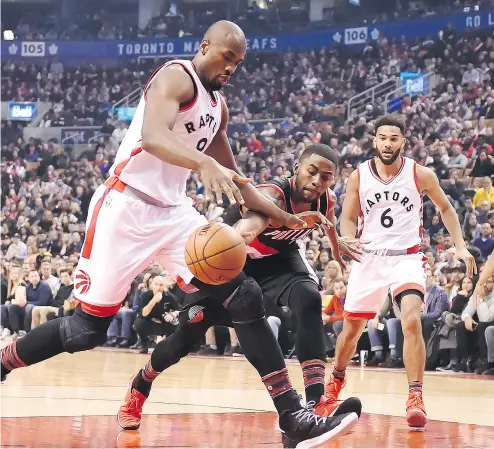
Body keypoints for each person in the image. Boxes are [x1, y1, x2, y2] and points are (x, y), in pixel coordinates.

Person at [1, 21, 360, 446]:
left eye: (238, 64)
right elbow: (153, 137)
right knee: (85, 332)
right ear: (205, 46)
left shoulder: (218, 108)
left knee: (241, 295)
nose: (232, 68)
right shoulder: (176, 75)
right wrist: (203, 164)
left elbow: (239, 181)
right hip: (126, 205)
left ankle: (293, 418)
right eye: (227, 58)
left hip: (173, 213)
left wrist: (283, 216)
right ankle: (4, 363)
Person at [118, 144, 363, 430]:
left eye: (326, 177)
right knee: (186, 335)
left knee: (308, 297)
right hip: (233, 262)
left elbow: (328, 223)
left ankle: (316, 401)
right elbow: (255, 219)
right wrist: (238, 237)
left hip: (278, 260)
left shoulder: (326, 199)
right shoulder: (272, 193)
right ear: (296, 169)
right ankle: (140, 385)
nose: (317, 181)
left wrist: (337, 246)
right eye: (312, 172)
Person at [322, 115, 476, 430]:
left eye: (394, 138)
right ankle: (334, 383)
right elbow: (348, 219)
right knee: (350, 331)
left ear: (403, 141)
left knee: (411, 319)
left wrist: (460, 246)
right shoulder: (359, 175)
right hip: (369, 258)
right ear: (375, 140)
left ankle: (415, 396)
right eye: (383, 137)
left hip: (407, 257)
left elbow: (446, 208)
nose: (388, 143)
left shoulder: (420, 174)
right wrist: (347, 237)